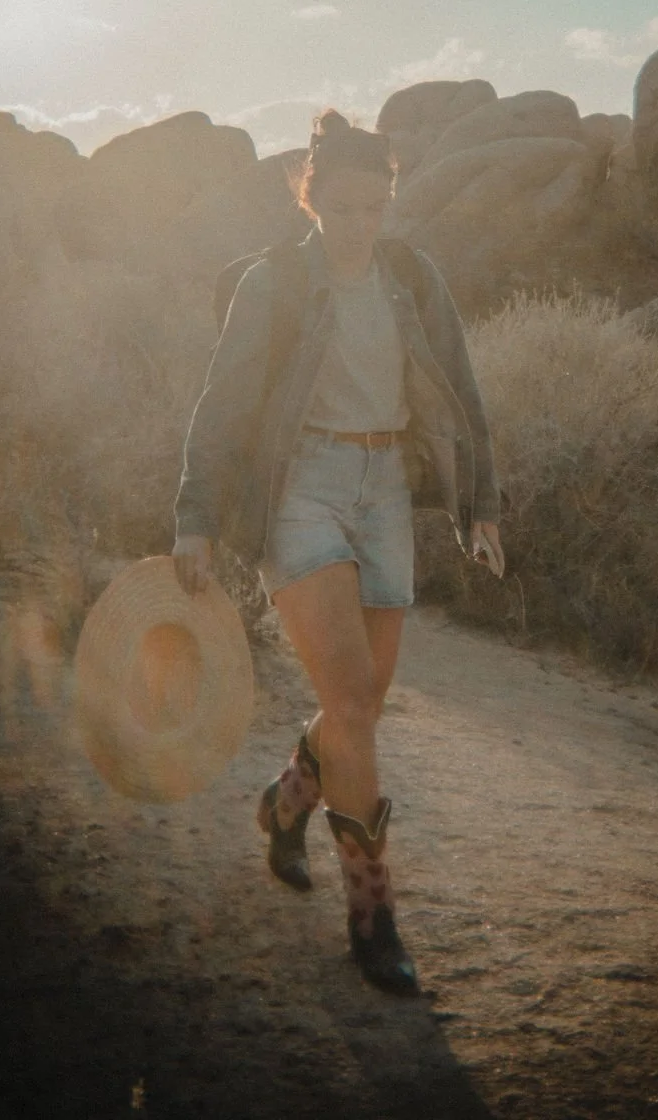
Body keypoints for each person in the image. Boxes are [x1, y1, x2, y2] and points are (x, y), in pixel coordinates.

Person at [172, 110, 504, 995]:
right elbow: (223, 405)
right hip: (304, 489)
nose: (364, 224)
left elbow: (459, 388)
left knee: (361, 704)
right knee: (352, 704)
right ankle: (373, 916)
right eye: (347, 207)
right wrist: (195, 518)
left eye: (378, 206)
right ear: (311, 196)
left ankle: (286, 801)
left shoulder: (410, 277)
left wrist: (481, 505)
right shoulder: (275, 284)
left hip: (385, 489)